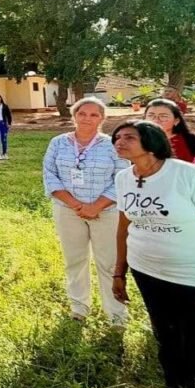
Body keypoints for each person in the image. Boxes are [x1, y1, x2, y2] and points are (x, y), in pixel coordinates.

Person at [110, 120, 195, 388]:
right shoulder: (124, 177)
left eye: (129, 137)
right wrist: (119, 271)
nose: (119, 142)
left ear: (151, 141)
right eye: (117, 137)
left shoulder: (185, 173)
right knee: (167, 342)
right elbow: (125, 226)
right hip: (148, 273)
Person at [42, 97, 129, 325]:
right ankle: (79, 308)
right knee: (75, 260)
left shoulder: (113, 144)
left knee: (109, 263)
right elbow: (50, 176)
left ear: (102, 118)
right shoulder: (58, 143)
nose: (87, 118)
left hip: (106, 212)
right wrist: (75, 205)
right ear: (74, 116)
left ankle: (116, 315)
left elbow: (121, 178)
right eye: (82, 113)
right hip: (67, 210)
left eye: (94, 114)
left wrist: (96, 206)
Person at [144, 99, 195, 163]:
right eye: (151, 116)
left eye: (163, 116)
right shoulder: (138, 140)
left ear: (176, 121)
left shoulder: (193, 140)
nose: (156, 120)